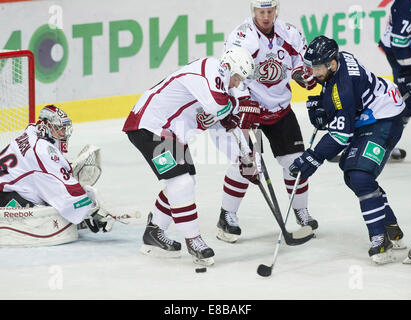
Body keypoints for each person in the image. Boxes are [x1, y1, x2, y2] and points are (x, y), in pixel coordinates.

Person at [122, 46, 259, 266]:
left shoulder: (221, 86)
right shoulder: (212, 69)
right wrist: (236, 108)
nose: (236, 84)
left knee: (185, 182)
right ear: (228, 67)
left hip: (169, 133)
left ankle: (154, 232)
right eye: (236, 78)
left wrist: (246, 158)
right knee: (181, 182)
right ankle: (193, 239)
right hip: (148, 128)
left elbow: (223, 126)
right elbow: (218, 106)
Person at [289, 36, 407, 264]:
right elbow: (341, 103)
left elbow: (342, 134)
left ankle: (380, 239)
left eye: (317, 67)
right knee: (353, 175)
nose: (313, 73)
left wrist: (312, 158)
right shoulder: (339, 61)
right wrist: (324, 108)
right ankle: (389, 225)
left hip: (385, 118)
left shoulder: (342, 88)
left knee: (361, 175)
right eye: (311, 66)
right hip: (369, 115)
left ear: (332, 64)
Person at [215, 0, 318, 243]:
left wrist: (301, 74)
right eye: (261, 11)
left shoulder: (290, 33)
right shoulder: (241, 37)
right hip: (251, 111)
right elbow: (230, 73)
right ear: (253, 11)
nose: (266, 16)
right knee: (247, 164)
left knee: (296, 164)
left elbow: (301, 63)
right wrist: (243, 99)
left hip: (281, 110)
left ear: (276, 10)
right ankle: (226, 216)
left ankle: (301, 212)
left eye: (270, 11)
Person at [0, 105, 113, 237]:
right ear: (45, 126)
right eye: (58, 128)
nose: (63, 133)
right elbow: (68, 192)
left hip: (6, 187)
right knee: (46, 218)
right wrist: (91, 210)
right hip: (4, 197)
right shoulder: (43, 151)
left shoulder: (31, 131)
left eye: (64, 129)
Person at [378, 0, 411, 161]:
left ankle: (385, 141)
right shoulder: (408, 5)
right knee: (407, 100)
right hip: (402, 57)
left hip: (404, 53)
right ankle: (380, 142)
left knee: (407, 101)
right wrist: (410, 71)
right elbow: (399, 44)